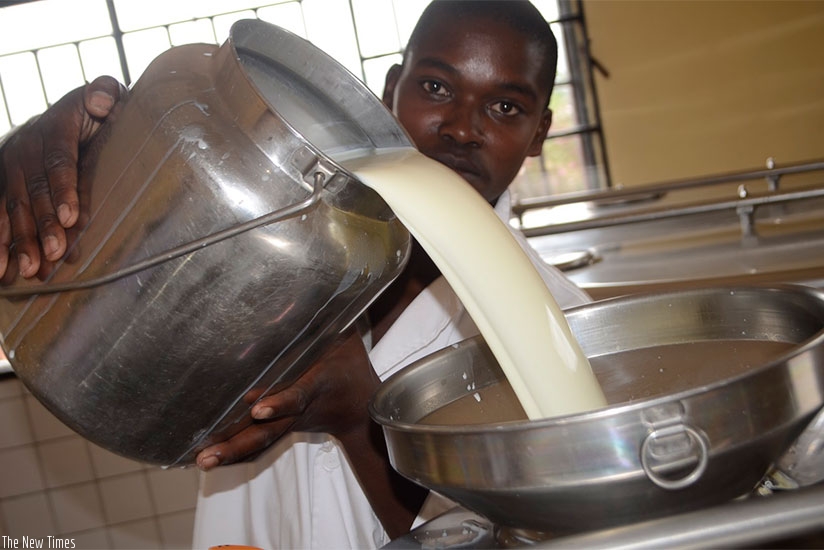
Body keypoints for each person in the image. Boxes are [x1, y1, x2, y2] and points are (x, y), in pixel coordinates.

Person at [0, 1, 591, 548]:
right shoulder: (265, 230)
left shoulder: (559, 330)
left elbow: (523, 536)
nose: (462, 128)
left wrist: (363, 419)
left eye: (505, 107)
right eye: (436, 87)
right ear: (389, 91)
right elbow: (115, 306)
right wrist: (83, 160)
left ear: (540, 132)